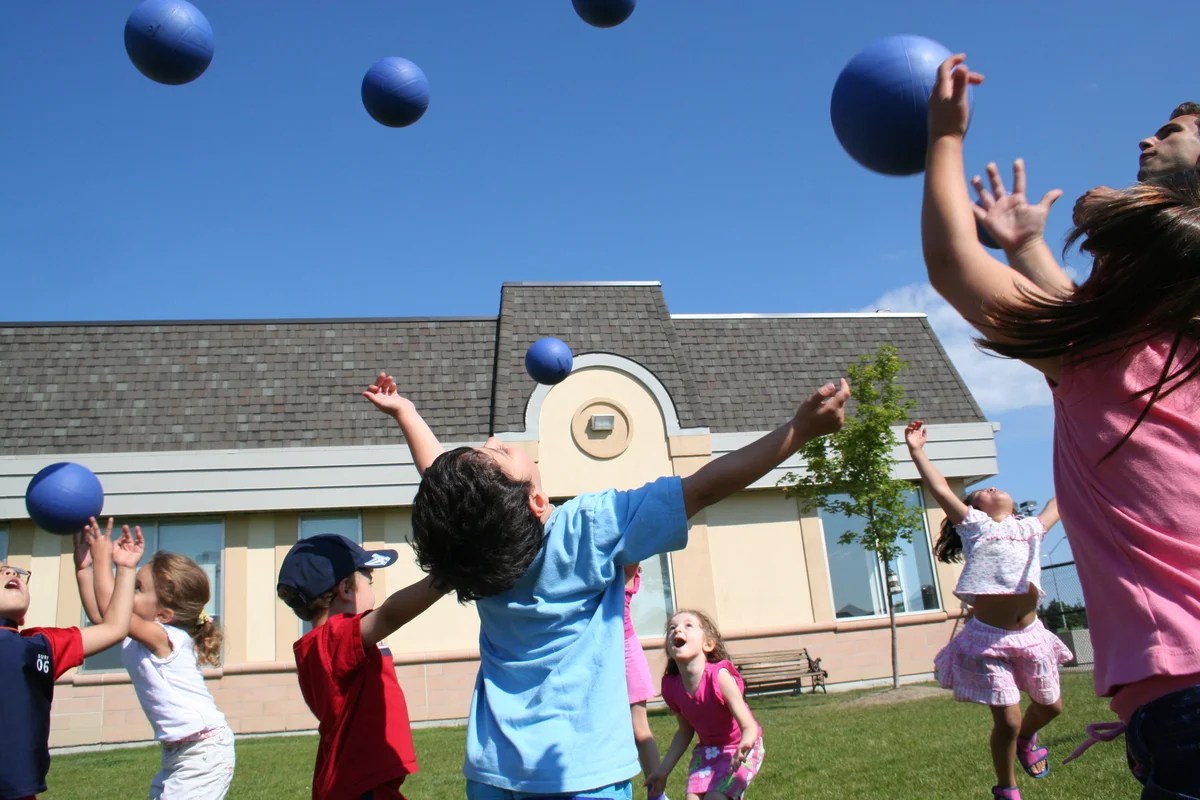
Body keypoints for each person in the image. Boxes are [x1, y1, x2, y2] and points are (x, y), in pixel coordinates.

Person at [367, 369, 850, 799]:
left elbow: (447, 485)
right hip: (584, 774)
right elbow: (705, 486)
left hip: (494, 773)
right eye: (500, 451)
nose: (497, 436)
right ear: (536, 501)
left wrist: (406, 412)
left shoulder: (473, 555)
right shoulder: (588, 529)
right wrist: (800, 430)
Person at [923, 53, 1200, 798]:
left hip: (1187, 697)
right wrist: (1025, 247)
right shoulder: (1154, 346)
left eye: (1099, 258)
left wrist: (943, 138)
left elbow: (955, 262)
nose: (1147, 140)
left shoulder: (1100, 353)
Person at [907, 421, 1069, 800]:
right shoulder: (975, 525)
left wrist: (1077, 449)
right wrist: (917, 450)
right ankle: (1007, 788)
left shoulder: (1031, 527)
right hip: (987, 641)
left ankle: (1029, 739)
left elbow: (1058, 502)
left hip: (1031, 636)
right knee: (1008, 721)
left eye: (995, 487)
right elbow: (941, 488)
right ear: (973, 508)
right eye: (981, 492)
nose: (991, 489)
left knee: (1053, 707)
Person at [76, 517, 235, 799]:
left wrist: (107, 562)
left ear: (164, 614)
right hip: (180, 751)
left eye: (137, 588)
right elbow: (102, 616)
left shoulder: (165, 636)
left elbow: (108, 605)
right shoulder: (136, 630)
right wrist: (85, 568)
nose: (128, 591)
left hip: (203, 748)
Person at [1, 519, 141, 800]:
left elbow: (114, 628)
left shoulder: (41, 644)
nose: (8, 571)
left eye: (14, 571)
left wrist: (123, 569)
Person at [645, 610, 762, 800]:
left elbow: (749, 725)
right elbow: (685, 731)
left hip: (741, 747)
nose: (677, 630)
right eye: (672, 628)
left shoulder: (720, 677)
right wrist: (663, 771)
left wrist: (746, 742)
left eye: (688, 625)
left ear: (707, 644)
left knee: (715, 798)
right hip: (708, 751)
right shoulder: (671, 686)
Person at [623, 564, 666, 800]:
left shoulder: (626, 563)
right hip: (599, 655)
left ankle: (657, 795)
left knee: (639, 730)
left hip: (625, 653)